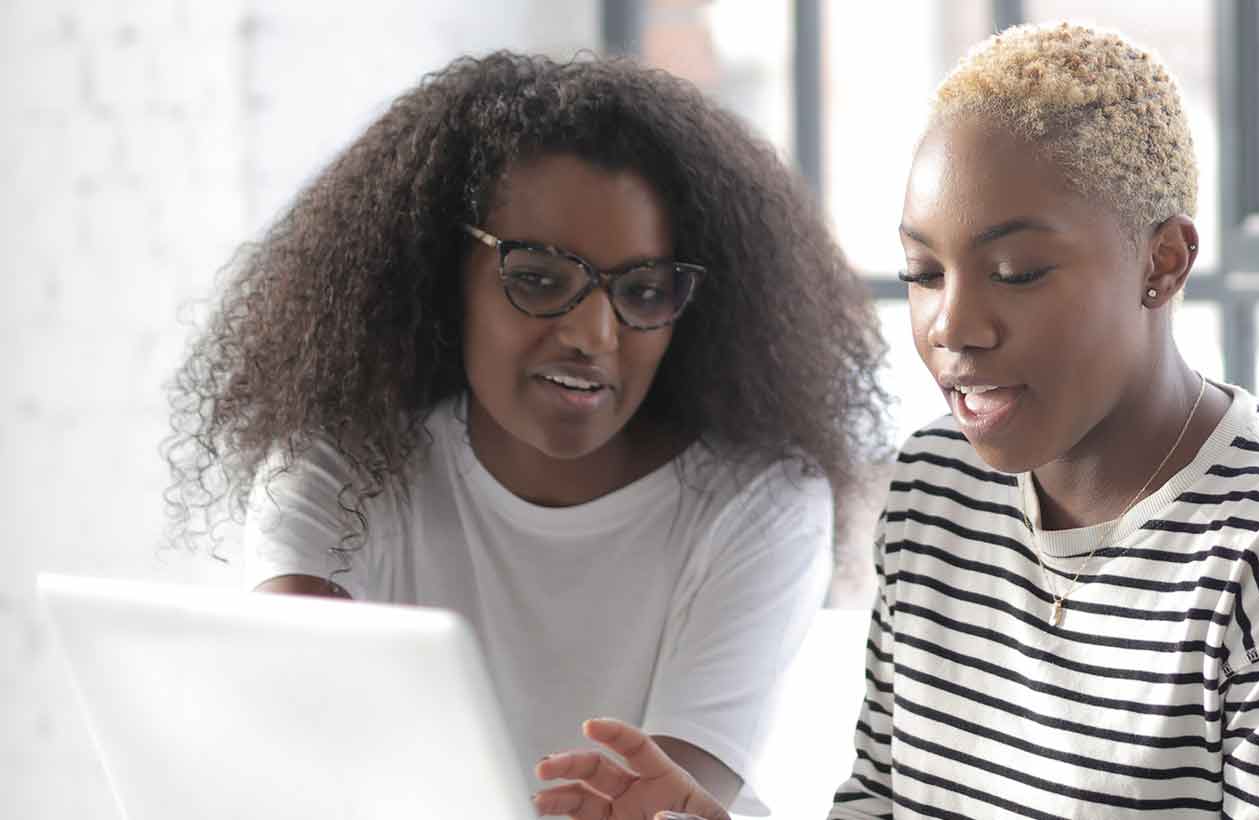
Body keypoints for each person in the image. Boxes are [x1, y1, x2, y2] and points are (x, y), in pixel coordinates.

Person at [537, 22, 1259, 820]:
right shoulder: (940, 485)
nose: (951, 328)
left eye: (1015, 272)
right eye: (923, 273)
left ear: (1163, 264)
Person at [162, 52, 891, 817]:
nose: (593, 334)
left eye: (643, 291)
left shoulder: (759, 501)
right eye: (539, 278)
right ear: (445, 278)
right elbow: (294, 751)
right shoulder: (338, 472)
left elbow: (652, 807)